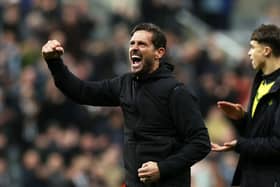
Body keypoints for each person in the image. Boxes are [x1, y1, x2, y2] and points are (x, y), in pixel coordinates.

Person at [42, 23, 211, 187]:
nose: (134, 48)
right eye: (132, 43)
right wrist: (54, 62)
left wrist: (162, 168)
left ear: (159, 53)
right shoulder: (125, 84)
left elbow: (201, 143)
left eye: (142, 44)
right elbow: (82, 92)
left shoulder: (176, 91)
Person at [212, 24, 280, 187]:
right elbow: (258, 133)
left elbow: (277, 144)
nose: (249, 53)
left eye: (252, 47)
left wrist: (240, 145)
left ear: (266, 51)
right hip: (250, 174)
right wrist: (241, 119)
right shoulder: (260, 81)